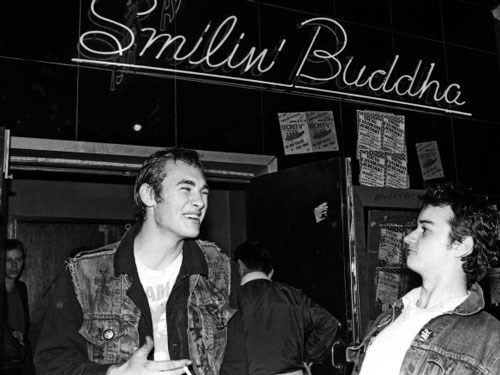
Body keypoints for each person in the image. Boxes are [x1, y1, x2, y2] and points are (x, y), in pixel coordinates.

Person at [34, 147, 247, 375]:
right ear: (149, 195)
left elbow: (236, 362)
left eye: (204, 192)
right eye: (185, 188)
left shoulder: (220, 271)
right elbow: (51, 362)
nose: (199, 202)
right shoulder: (85, 274)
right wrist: (114, 373)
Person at [347, 182, 500, 375]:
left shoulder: (491, 341)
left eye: (425, 230)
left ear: (461, 245)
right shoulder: (389, 317)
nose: (408, 238)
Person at [234, 240, 340, 375]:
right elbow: (328, 322)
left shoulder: (232, 299)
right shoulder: (292, 295)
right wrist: (308, 357)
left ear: (240, 266)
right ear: (271, 272)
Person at [2, 239, 35, 375]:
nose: (14, 265)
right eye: (8, 260)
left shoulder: (21, 288)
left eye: (18, 259)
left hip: (21, 355)